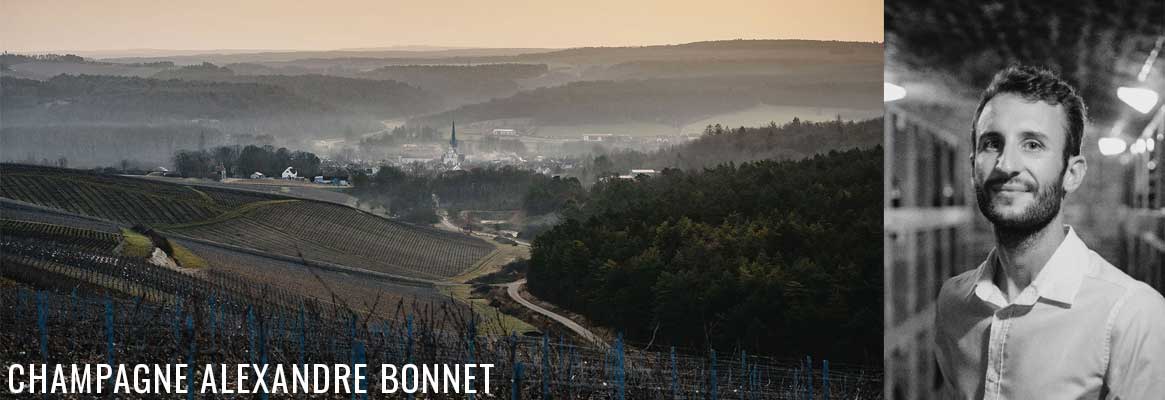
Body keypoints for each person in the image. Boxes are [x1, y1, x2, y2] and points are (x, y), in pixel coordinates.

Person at [934, 65, 1165, 399]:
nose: (1006, 164)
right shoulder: (953, 303)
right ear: (973, 165)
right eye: (991, 143)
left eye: (1032, 144)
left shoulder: (1134, 316)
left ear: (1072, 173)